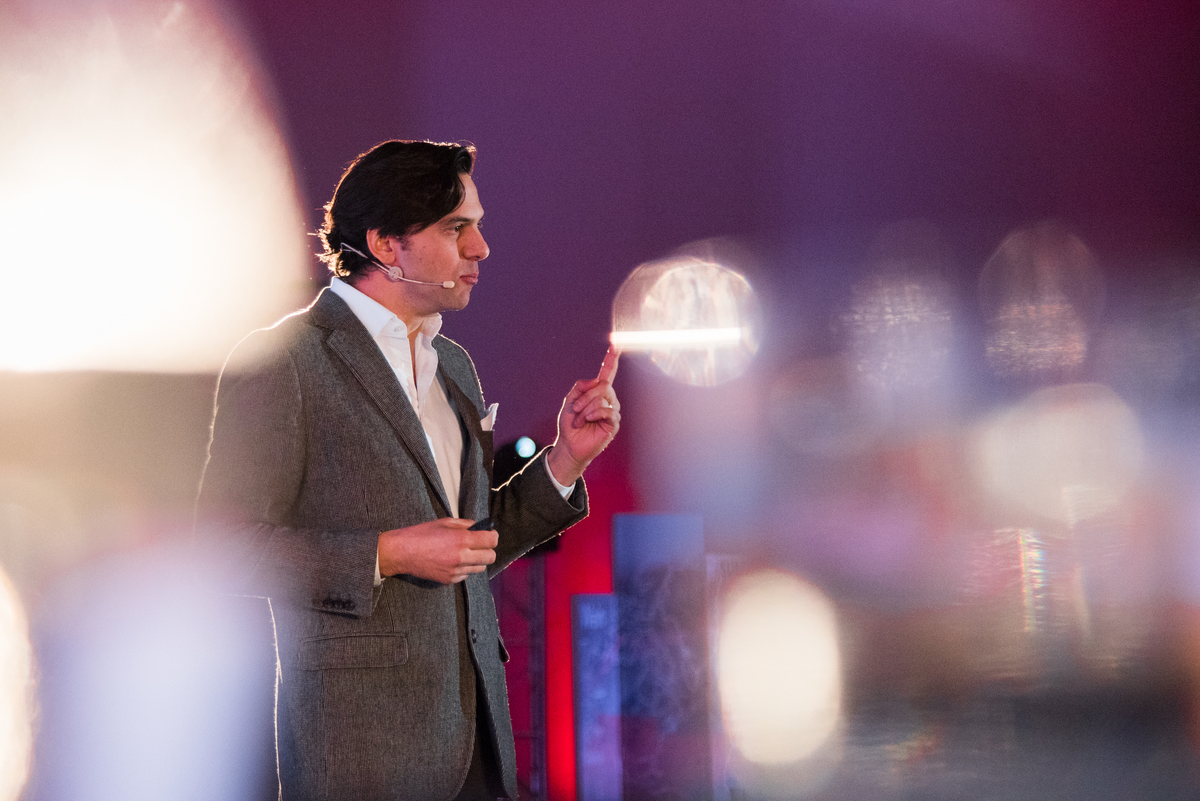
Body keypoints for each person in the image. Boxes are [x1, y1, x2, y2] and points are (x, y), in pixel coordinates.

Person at [196, 140, 620, 800]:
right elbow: (222, 552)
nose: (481, 248)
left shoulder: (456, 367)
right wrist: (387, 554)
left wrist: (567, 457)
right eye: (456, 228)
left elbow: (469, 546)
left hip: (478, 743)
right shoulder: (287, 361)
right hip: (363, 756)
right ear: (387, 244)